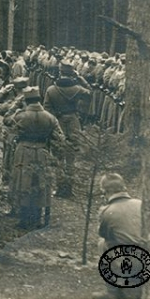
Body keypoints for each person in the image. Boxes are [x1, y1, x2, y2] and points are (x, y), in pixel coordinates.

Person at [3, 87, 66, 229]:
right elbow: (60, 138)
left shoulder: (20, 116)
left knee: (23, 182)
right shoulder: (50, 117)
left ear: (25, 100)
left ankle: (25, 218)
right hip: (42, 150)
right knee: (40, 183)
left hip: (23, 150)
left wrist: (15, 105)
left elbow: (6, 120)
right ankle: (37, 218)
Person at [43, 62, 91, 198]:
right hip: (73, 122)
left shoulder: (51, 90)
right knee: (71, 157)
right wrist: (81, 78)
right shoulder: (77, 89)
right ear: (72, 74)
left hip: (58, 122)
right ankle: (69, 188)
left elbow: (47, 109)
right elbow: (89, 93)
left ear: (60, 72)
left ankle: (60, 188)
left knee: (58, 155)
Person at [93, 173, 143, 299]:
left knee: (103, 243)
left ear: (104, 191)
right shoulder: (140, 204)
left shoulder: (107, 210)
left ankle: (113, 292)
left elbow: (105, 235)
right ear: (124, 187)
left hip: (128, 261)